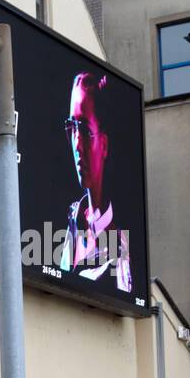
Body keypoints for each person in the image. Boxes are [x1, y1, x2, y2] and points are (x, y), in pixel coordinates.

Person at [60, 71, 132, 293]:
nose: (77, 144)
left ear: (104, 144)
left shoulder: (121, 243)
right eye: (72, 127)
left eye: (84, 128)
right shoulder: (76, 216)